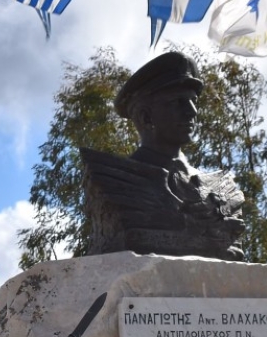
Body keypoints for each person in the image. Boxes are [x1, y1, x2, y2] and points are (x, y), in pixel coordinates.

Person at [83, 49, 245, 259]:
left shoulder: (223, 189)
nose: (192, 111)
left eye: (193, 100)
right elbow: (132, 241)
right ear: (145, 117)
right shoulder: (115, 182)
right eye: (177, 101)